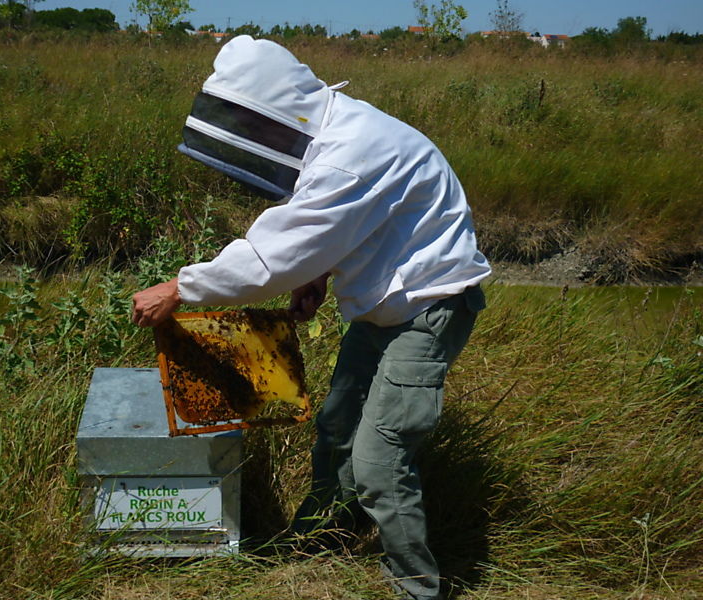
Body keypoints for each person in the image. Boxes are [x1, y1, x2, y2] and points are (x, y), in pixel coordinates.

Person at [131, 35, 490, 600]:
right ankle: (322, 536)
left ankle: (417, 587)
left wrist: (180, 288)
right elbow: (356, 226)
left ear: (276, 112)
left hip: (426, 310)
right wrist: (318, 273)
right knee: (336, 426)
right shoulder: (341, 134)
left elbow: (268, 260)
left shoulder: (351, 153)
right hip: (386, 306)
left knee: (380, 459)